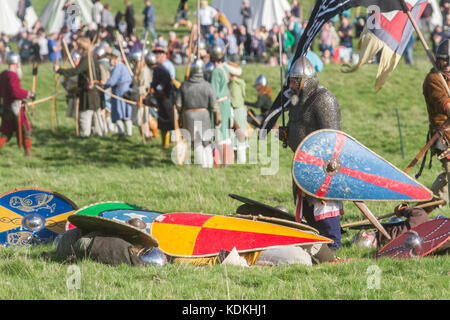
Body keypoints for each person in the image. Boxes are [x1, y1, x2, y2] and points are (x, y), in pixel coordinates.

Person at [279, 56, 344, 250]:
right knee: (307, 207)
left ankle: (332, 245)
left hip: (323, 165)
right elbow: (300, 129)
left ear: (305, 81)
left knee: (324, 206)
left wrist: (327, 167)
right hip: (303, 162)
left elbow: (333, 137)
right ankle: (316, 242)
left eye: (294, 81)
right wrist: (287, 135)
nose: (290, 84)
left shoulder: (324, 99)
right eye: (290, 80)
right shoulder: (297, 101)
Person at [55, 37, 103, 138]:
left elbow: (75, 71)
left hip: (88, 92)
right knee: (95, 113)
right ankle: (97, 134)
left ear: (83, 48)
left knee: (86, 114)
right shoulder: (92, 57)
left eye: (79, 47)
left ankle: (85, 135)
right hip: (94, 90)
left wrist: (60, 70)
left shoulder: (87, 59)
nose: (77, 49)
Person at [176, 59, 220, 168]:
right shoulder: (207, 86)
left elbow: (178, 104)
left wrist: (180, 115)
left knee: (196, 141)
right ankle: (208, 164)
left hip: (189, 116)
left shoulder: (185, 85)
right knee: (206, 141)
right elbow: (214, 106)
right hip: (204, 115)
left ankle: (202, 164)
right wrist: (218, 118)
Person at [422, 39, 450, 208]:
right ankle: (420, 214)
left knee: (446, 182)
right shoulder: (434, 80)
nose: (446, 64)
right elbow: (446, 106)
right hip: (445, 138)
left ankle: (420, 213)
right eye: (444, 60)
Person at [0, 52, 35, 157]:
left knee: (7, 132)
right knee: (25, 130)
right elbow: (15, 92)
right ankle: (28, 153)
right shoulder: (13, 75)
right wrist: (29, 94)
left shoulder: (3, 74)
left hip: (5, 107)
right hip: (15, 108)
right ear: (16, 63)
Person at [209, 45, 234, 166]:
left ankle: (221, 160)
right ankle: (226, 160)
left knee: (219, 132)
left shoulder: (215, 71)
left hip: (219, 103)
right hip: (226, 102)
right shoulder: (225, 68)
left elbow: (213, 92)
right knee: (225, 131)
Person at [146, 52, 176, 149]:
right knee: (164, 122)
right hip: (163, 98)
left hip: (166, 98)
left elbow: (162, 84)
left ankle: (169, 143)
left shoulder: (160, 70)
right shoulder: (158, 69)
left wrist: (158, 91)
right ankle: (165, 144)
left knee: (168, 121)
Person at [105, 49, 134, 137]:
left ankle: (121, 132)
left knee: (119, 112)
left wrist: (104, 85)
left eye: (111, 59)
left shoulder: (118, 67)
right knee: (126, 111)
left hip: (120, 91)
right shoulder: (123, 66)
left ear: (116, 59)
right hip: (126, 90)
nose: (110, 61)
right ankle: (128, 133)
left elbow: (112, 81)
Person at [227, 62, 248, 164]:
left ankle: (240, 161)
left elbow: (234, 102)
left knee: (238, 136)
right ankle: (238, 161)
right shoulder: (240, 82)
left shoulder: (233, 85)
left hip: (236, 112)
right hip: (240, 111)